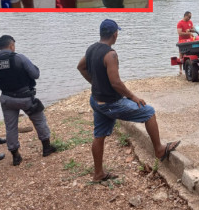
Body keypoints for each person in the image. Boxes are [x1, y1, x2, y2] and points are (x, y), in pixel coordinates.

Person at [77, 19, 180, 182]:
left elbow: (80, 67)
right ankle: (159, 150)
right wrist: (133, 97)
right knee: (149, 112)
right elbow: (115, 82)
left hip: (96, 100)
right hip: (110, 104)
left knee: (99, 135)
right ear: (115, 34)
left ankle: (98, 174)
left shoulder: (91, 49)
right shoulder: (110, 54)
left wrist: (94, 83)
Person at [0, 35, 56, 166]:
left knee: (10, 127)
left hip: (7, 99)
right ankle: (47, 148)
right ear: (11, 45)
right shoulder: (19, 58)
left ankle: (16, 156)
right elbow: (35, 74)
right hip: (25, 97)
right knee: (39, 120)